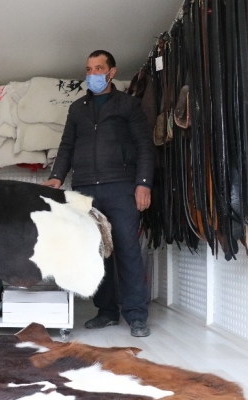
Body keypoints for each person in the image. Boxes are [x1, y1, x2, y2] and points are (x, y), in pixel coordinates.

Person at [42, 50, 154, 337]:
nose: (92, 74)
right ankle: (106, 311)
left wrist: (143, 183)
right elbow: (67, 146)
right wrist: (56, 177)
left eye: (99, 68)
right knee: (97, 251)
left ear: (112, 72)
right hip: (86, 190)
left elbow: (144, 146)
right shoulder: (77, 109)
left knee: (127, 249)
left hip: (121, 187)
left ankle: (137, 315)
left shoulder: (128, 105)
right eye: (89, 69)